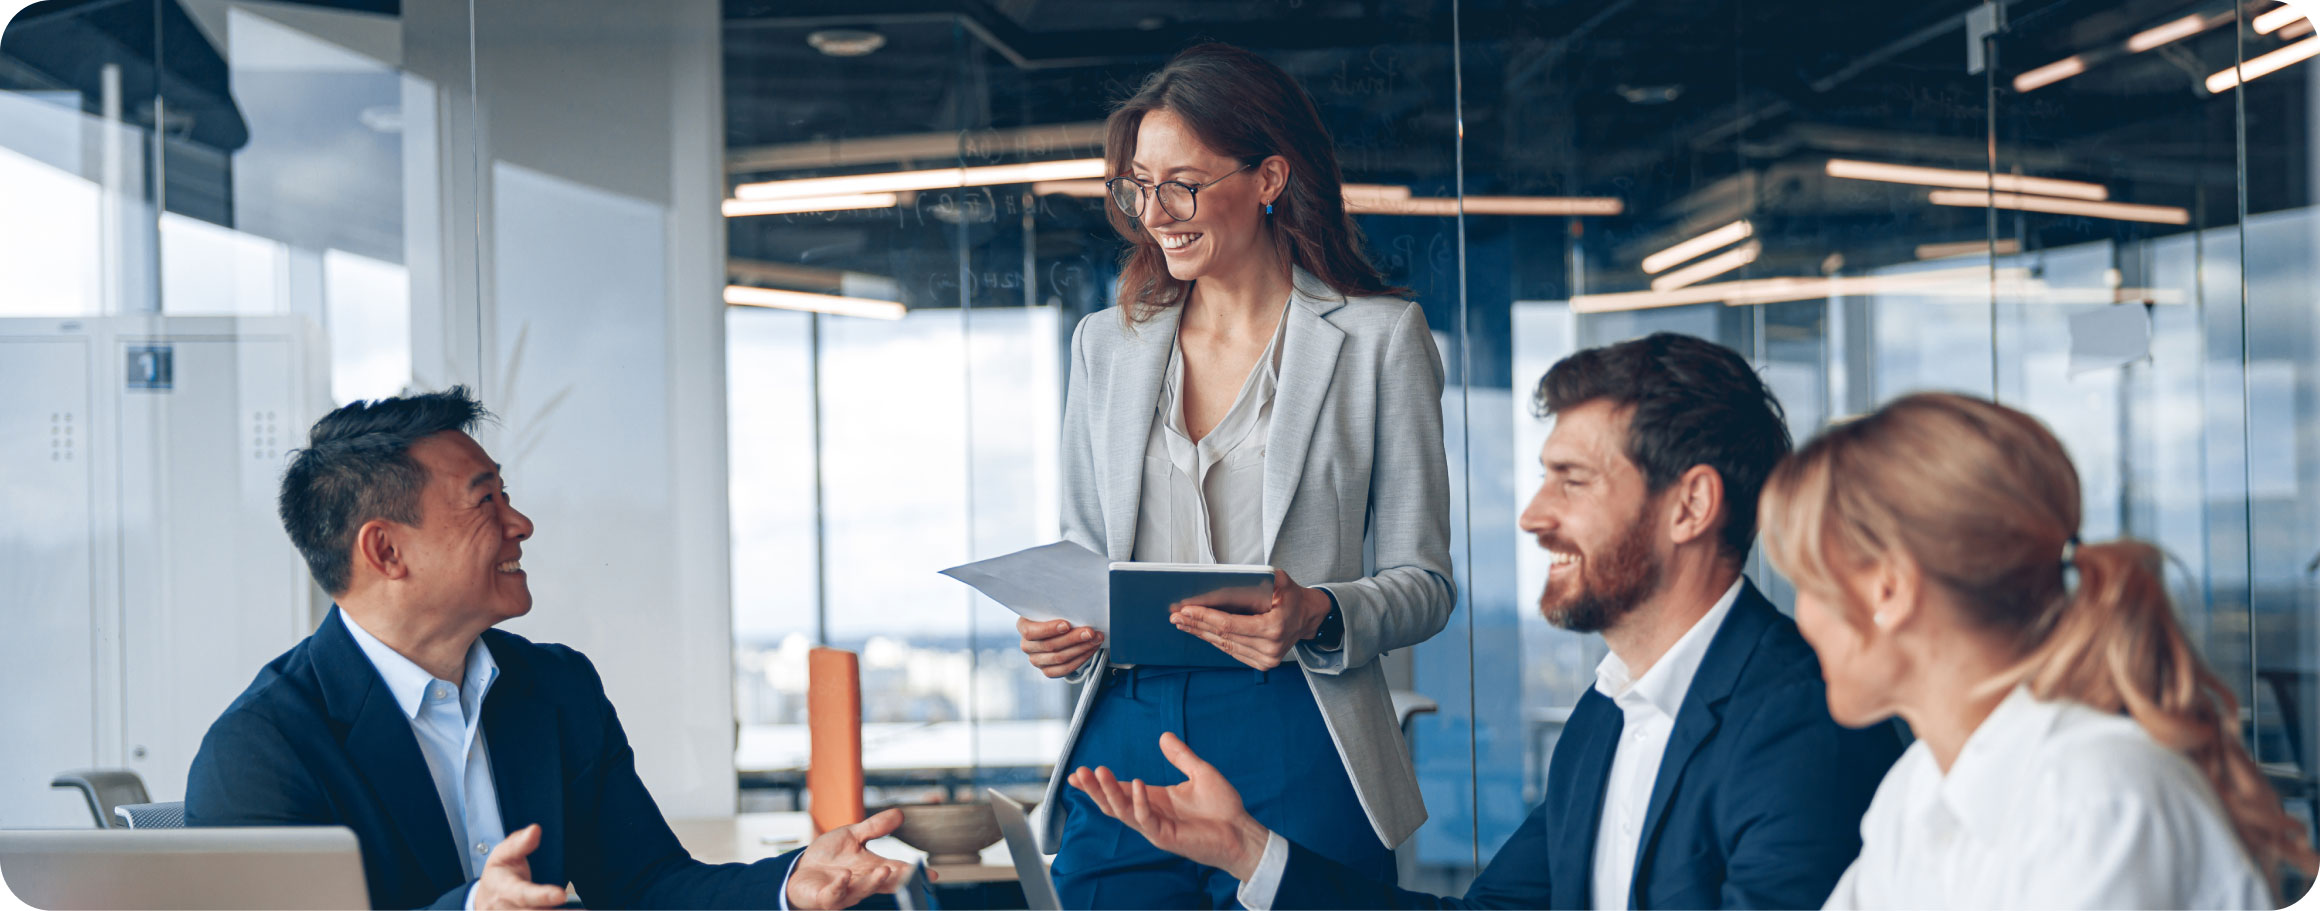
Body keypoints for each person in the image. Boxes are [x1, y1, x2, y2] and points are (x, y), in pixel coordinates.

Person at [1067, 333, 1904, 909]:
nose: (1534, 515)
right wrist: (1248, 850)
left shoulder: (1803, 722)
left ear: (1690, 504)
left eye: (1573, 481)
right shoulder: (1606, 722)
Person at [1012, 42, 1455, 908]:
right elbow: (1085, 554)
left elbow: (1426, 584)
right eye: (1138, 184)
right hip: (1127, 727)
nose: (1155, 211)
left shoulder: (1379, 340)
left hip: (1300, 722)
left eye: (1182, 183)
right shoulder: (1105, 345)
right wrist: (1062, 630)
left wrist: (1320, 609)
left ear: (1269, 178)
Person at [186, 388, 914, 910]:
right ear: (386, 549)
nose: (521, 522)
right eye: (486, 502)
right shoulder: (261, 750)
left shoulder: (558, 687)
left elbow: (646, 886)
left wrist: (785, 884)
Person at [1756, 392, 2318, 909]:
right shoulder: (1917, 789)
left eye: (1810, 584)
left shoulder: (2096, 796)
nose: (1803, 618)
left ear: (1889, 589)